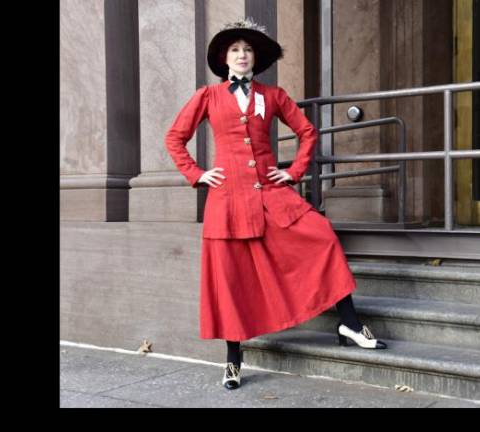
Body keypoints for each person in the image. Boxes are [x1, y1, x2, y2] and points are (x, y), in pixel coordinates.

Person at [164, 17, 386, 391]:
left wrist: (295, 171)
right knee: (232, 278)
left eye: (247, 50)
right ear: (223, 58)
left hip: (271, 194)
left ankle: (348, 321)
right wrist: (198, 174)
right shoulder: (208, 96)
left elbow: (307, 131)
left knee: (322, 237)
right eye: (235, 50)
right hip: (228, 201)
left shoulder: (273, 96)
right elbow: (175, 138)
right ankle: (233, 360)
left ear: (256, 58)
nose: (241, 55)